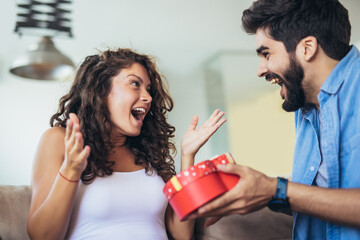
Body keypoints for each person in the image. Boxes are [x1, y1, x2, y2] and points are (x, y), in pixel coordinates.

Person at [189, 0, 360, 239]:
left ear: (307, 48)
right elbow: (327, 202)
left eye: (266, 53)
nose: (260, 69)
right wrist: (260, 192)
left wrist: (275, 190)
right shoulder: (306, 109)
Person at [26, 48, 226, 240]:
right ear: (102, 91)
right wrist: (71, 169)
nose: (148, 97)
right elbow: (42, 235)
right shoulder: (60, 140)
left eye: (148, 89)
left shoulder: (147, 153)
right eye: (134, 84)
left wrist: (187, 156)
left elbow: (181, 234)